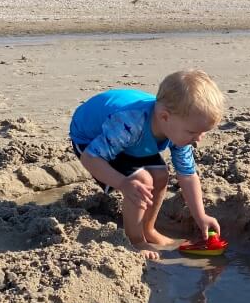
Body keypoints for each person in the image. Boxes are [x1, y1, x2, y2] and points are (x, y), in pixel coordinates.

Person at [69, 69, 224, 260]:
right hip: (91, 139)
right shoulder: (131, 123)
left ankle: (148, 230)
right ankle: (134, 240)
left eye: (203, 132)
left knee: (160, 175)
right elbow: (90, 158)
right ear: (164, 117)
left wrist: (201, 216)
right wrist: (123, 183)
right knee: (140, 180)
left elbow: (188, 175)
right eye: (193, 132)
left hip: (130, 140)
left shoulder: (179, 126)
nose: (198, 139)